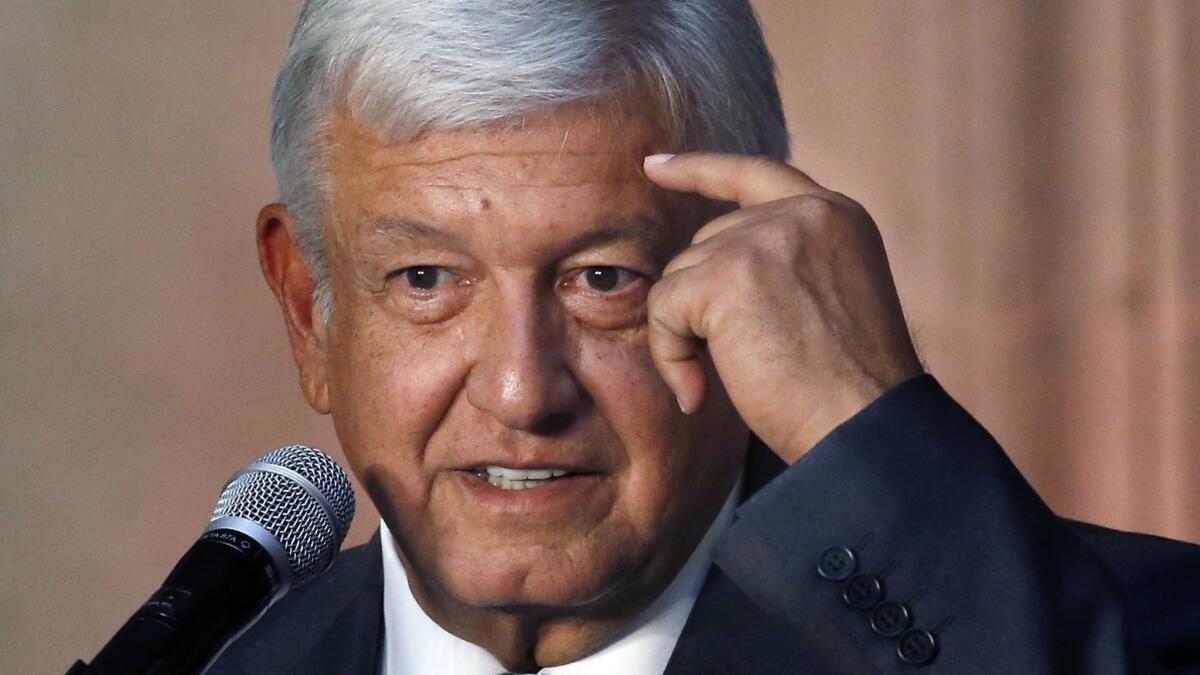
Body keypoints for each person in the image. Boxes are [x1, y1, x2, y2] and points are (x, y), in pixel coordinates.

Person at [209, 1, 1200, 673]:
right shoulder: (210, 660)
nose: (521, 390)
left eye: (603, 279)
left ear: (750, 278)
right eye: (427, 279)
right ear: (310, 309)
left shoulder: (1129, 631)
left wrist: (865, 424)